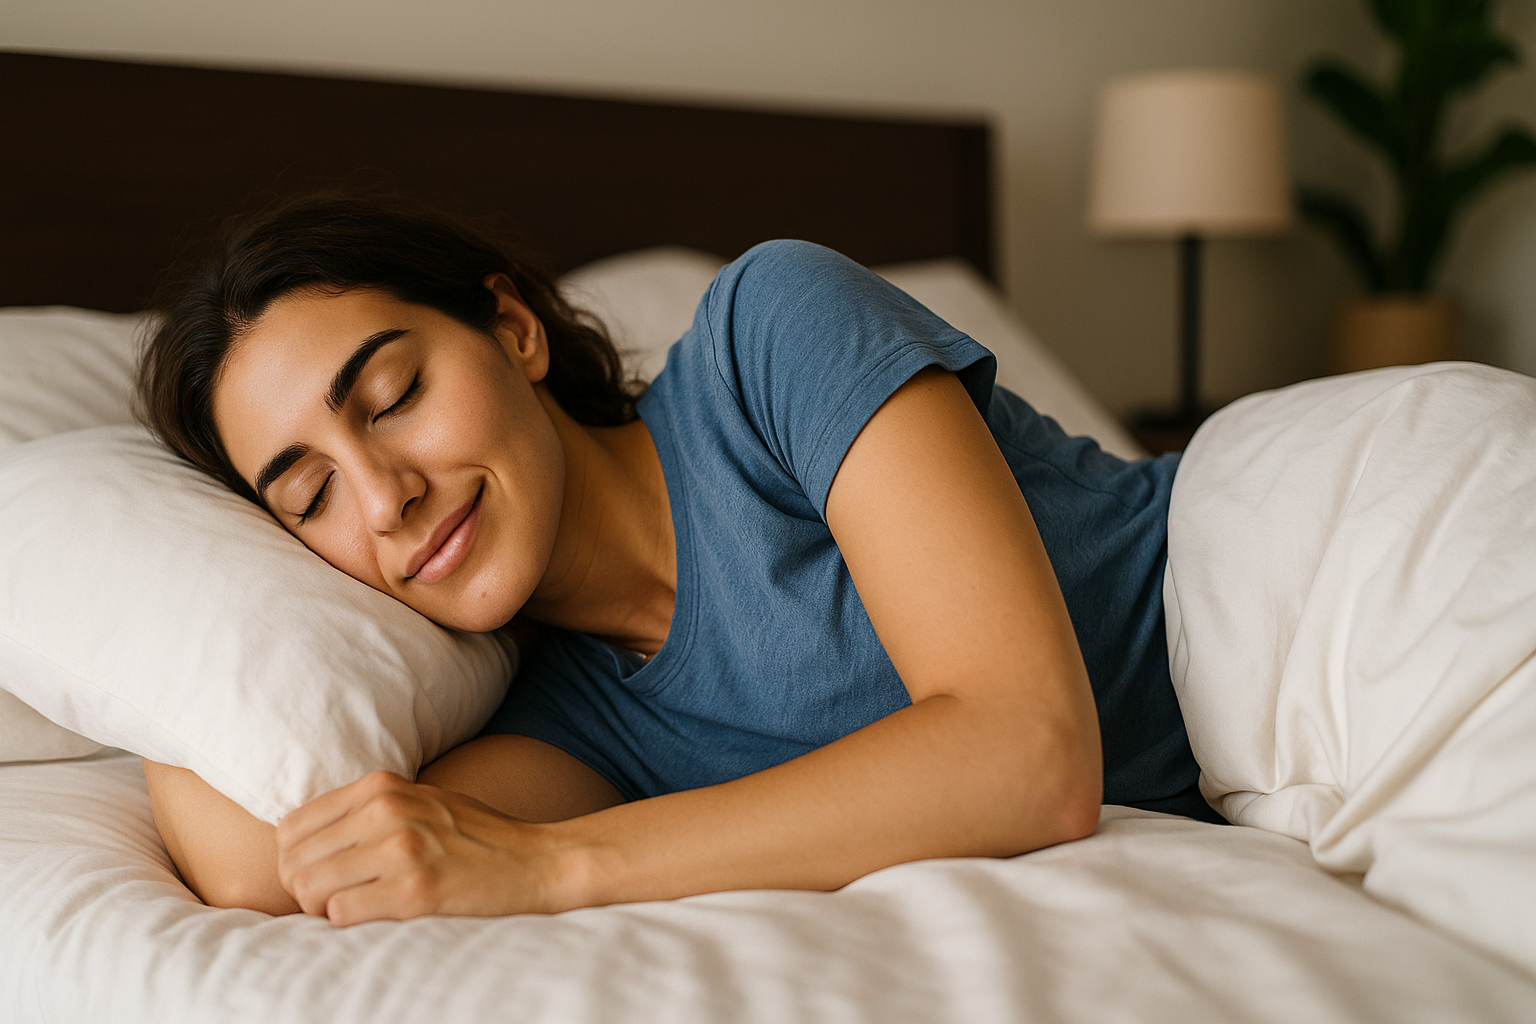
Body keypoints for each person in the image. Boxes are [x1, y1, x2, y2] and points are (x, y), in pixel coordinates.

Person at [136, 195, 1217, 926]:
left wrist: (554, 868)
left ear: (513, 328)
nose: (384, 498)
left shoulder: (769, 337)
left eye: (394, 397)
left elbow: (1029, 753)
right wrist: (159, 596)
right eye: (310, 493)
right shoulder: (566, 723)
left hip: (1300, 583)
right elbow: (261, 868)